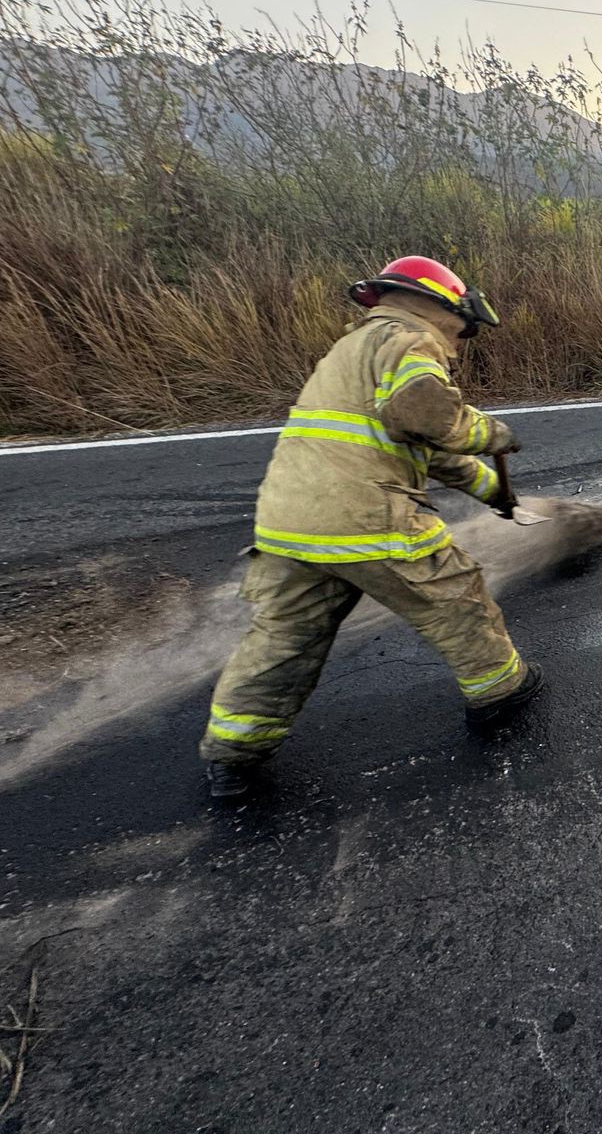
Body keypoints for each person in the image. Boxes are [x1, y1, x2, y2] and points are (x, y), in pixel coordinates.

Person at [200, 256, 539, 799]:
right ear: (442, 305)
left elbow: (422, 448)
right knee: (458, 600)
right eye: (463, 327)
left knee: (284, 640)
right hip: (366, 519)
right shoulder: (412, 340)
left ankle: (234, 752)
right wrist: (490, 431)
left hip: (288, 526)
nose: (462, 340)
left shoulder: (351, 350)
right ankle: (503, 693)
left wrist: (495, 491)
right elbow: (424, 417)